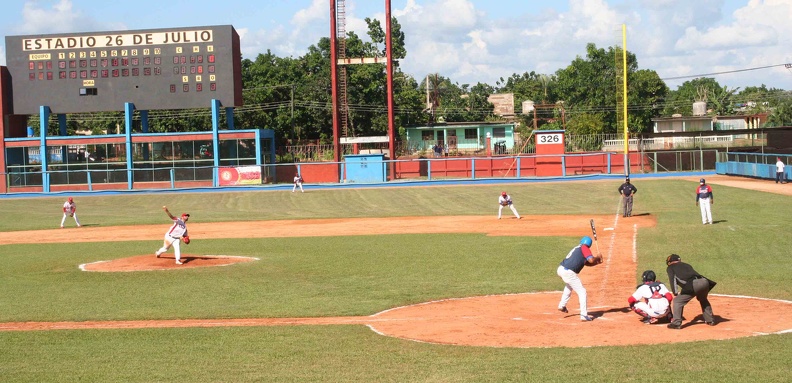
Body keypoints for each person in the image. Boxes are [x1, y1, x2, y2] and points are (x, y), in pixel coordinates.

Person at [557, 236, 603, 321]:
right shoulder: (585, 248)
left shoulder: (579, 248)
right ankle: (584, 315)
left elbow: (587, 263)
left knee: (569, 286)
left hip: (561, 269)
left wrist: (598, 262)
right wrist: (597, 257)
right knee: (582, 292)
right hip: (569, 272)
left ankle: (562, 305)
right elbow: (591, 260)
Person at [665, 254, 717, 329]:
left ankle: (676, 323)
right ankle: (710, 320)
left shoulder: (670, 268)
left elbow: (672, 279)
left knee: (677, 301)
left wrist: (675, 292)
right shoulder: (686, 265)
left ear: (670, 262)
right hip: (705, 281)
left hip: (693, 284)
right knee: (703, 299)